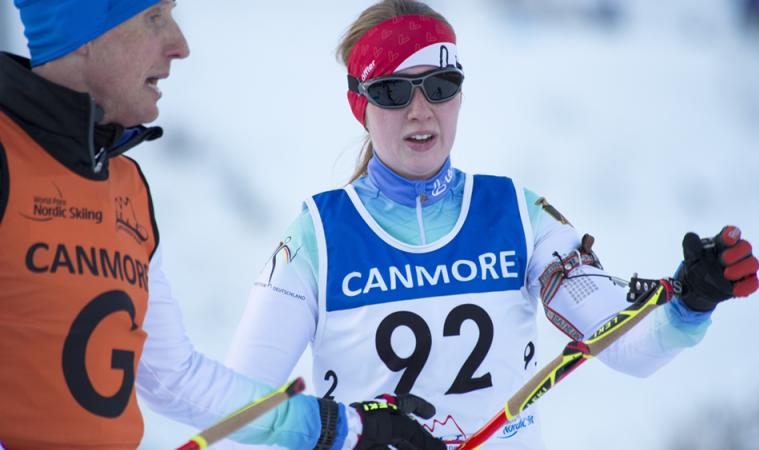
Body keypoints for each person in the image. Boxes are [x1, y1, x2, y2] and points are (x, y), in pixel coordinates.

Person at [226, 0, 759, 449]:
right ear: (359, 105)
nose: (420, 110)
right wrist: (347, 430)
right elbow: (235, 410)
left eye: (440, 86)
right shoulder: (319, 235)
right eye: (392, 91)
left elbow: (630, 348)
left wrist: (692, 301)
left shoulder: (516, 214)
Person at [0, 1, 446, 449]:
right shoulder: (7, 155)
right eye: (153, 18)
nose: (180, 45)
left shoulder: (124, 186)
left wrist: (345, 428)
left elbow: (175, 379)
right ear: (84, 36)